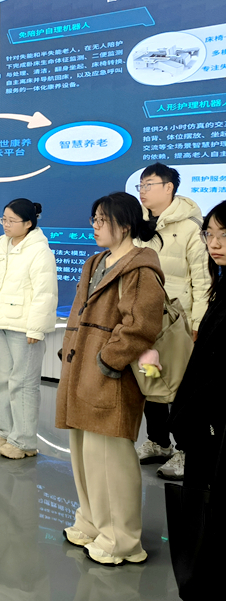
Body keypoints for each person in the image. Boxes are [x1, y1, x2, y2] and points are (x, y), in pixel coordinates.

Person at [56, 191, 165, 566]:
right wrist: (69, 353)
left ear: (127, 224)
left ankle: (122, 539)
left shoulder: (140, 268)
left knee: (111, 460)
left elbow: (141, 327)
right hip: (80, 372)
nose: (96, 226)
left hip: (110, 377)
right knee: (84, 454)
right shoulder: (95, 262)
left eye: (103, 220)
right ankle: (91, 522)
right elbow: (78, 313)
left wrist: (107, 361)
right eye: (95, 219)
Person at [133, 162, 209, 481]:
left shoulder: (191, 227)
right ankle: (159, 442)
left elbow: (203, 280)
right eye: (140, 185)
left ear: (169, 187)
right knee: (150, 380)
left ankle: (186, 449)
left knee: (179, 388)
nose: (143, 191)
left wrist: (199, 323)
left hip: (179, 322)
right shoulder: (139, 226)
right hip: (146, 319)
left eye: (149, 184)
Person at [166, 199, 226, 597]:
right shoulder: (221, 286)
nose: (214, 243)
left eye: (224, 235)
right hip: (204, 420)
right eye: (211, 234)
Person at [0, 199, 58, 459]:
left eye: (12, 220)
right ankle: (6, 431)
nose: (6, 224)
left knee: (23, 384)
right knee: (3, 380)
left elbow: (45, 293)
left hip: (25, 327)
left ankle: (24, 441)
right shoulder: (0, 244)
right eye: (4, 219)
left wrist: (36, 328)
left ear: (28, 223)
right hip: (1, 320)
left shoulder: (39, 251)